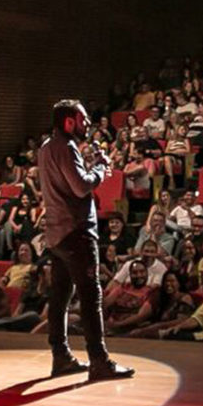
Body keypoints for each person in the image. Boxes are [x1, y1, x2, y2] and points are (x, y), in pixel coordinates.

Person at [36, 100, 135, 380]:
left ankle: (61, 356)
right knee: (91, 297)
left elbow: (70, 181)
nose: (87, 124)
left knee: (60, 297)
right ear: (69, 121)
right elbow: (81, 187)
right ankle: (99, 361)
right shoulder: (66, 147)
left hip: (56, 234)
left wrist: (90, 168)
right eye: (83, 119)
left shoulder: (46, 148)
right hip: (76, 232)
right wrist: (100, 171)